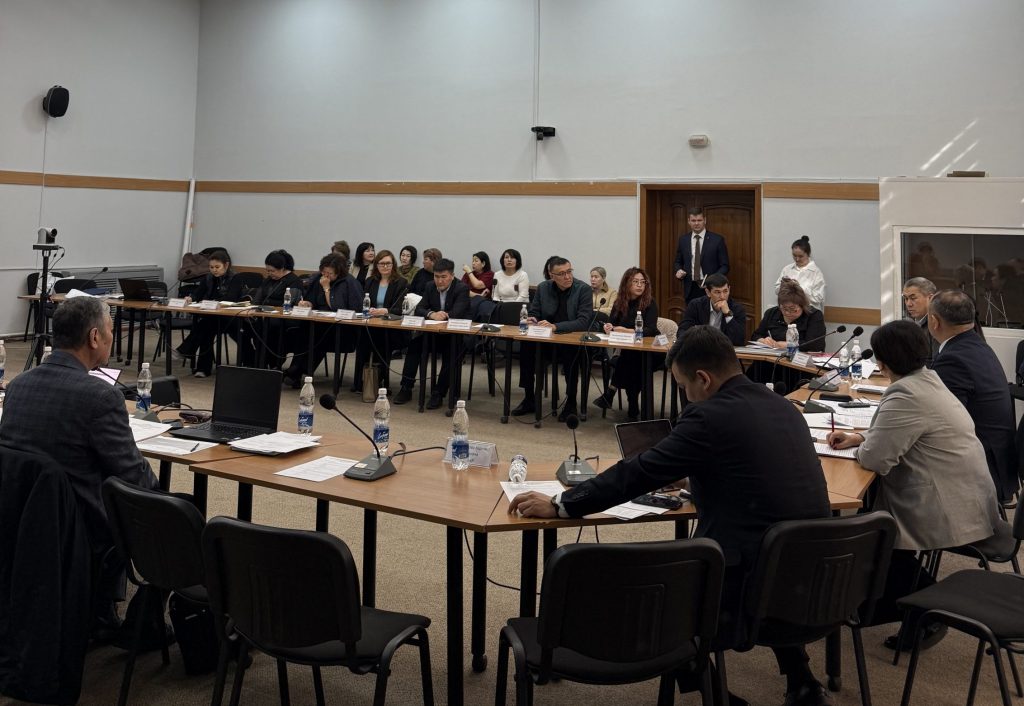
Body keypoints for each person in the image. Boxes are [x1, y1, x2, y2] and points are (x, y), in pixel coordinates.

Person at [511, 326, 833, 706]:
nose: (685, 396)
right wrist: (696, 472)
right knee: (770, 544)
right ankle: (803, 681)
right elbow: (757, 473)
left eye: (682, 386)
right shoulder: (783, 407)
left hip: (748, 585)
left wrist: (562, 503)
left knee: (667, 595)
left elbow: (637, 472)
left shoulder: (708, 416)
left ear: (703, 379)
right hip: (816, 581)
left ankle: (716, 695)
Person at [827, 320, 1000, 648]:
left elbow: (875, 460)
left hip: (946, 505)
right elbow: (905, 430)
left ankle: (924, 611)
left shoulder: (905, 393)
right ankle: (910, 608)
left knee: (871, 534)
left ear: (882, 363)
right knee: (873, 523)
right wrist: (860, 437)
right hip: (965, 492)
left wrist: (864, 447)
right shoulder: (926, 379)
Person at [0, 297, 159, 633]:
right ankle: (133, 623)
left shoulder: (18, 386)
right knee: (169, 512)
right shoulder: (100, 396)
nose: (112, 337)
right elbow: (133, 475)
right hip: (78, 524)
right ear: (94, 337)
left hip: (21, 516)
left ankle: (98, 606)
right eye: (111, 330)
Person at [928, 290, 1019, 502]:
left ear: (934, 321)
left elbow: (943, 423)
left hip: (982, 468)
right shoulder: (977, 346)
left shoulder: (953, 359)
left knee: (895, 468)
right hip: (1000, 460)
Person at [511, 257, 593, 422]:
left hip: (571, 340)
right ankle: (529, 398)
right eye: (561, 274)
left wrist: (555, 326)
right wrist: (531, 319)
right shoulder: (543, 288)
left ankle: (571, 402)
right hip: (547, 341)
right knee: (526, 346)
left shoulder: (583, 289)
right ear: (551, 275)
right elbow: (535, 312)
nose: (567, 277)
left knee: (571, 352)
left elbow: (584, 321)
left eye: (569, 271)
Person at [393, 259, 470, 409]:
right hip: (432, 334)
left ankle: (438, 393)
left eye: (443, 277)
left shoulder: (462, 288)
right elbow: (420, 308)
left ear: (452, 276)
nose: (439, 281)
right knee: (414, 346)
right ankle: (406, 387)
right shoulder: (429, 286)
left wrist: (443, 315)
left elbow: (458, 312)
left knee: (452, 353)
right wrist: (431, 314)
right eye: (436, 276)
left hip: (454, 335)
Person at [281, 253, 363, 388]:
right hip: (319, 323)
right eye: (324, 272)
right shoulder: (318, 279)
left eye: (329, 273)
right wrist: (306, 304)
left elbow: (338, 308)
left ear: (339, 272)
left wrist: (326, 288)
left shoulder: (350, 283)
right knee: (304, 329)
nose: (325, 276)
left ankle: (296, 372)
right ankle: (296, 372)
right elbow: (312, 300)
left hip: (343, 330)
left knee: (318, 334)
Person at [593, 267, 659, 421]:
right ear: (627, 283)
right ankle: (632, 407)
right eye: (635, 282)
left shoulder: (650, 303)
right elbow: (611, 324)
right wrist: (608, 327)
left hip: (652, 352)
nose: (640, 285)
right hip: (631, 351)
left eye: (643, 282)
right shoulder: (620, 302)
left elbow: (651, 329)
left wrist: (628, 331)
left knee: (630, 358)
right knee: (632, 360)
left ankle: (612, 392)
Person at [172, 248, 246, 377]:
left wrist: (213, 303)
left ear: (226, 265)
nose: (214, 270)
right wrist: (191, 298)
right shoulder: (208, 277)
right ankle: (201, 367)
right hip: (212, 316)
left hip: (230, 318)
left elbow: (231, 298)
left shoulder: (235, 278)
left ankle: (193, 357)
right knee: (206, 329)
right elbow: (198, 293)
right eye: (211, 267)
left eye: (217, 267)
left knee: (204, 326)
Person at [353, 250, 409, 393]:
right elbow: (364, 303)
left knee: (381, 341)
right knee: (362, 340)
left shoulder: (401, 282)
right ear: (376, 265)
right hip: (371, 322)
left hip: (389, 326)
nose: (385, 266)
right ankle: (359, 382)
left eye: (388, 263)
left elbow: (400, 308)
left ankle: (380, 382)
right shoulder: (370, 281)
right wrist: (370, 310)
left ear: (393, 265)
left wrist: (385, 310)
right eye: (382, 263)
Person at [239, 249, 304, 368]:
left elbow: (289, 304)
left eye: (272, 271)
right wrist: (253, 308)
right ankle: (255, 360)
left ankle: (270, 363)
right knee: (241, 325)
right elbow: (257, 299)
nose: (269, 273)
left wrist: (266, 305)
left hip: (284, 319)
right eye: (267, 270)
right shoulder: (268, 280)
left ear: (282, 268)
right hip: (264, 316)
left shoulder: (294, 281)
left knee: (270, 328)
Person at [673, 206, 729, 302]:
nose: (696, 223)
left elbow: (725, 266)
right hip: (690, 287)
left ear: (705, 220)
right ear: (689, 221)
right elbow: (678, 262)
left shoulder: (717, 240)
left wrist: (712, 280)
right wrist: (678, 270)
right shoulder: (683, 240)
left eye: (699, 220)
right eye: (693, 220)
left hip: (711, 288)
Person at [752, 281, 826, 352]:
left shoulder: (814, 315)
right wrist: (763, 341)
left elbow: (815, 345)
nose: (787, 313)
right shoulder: (771, 313)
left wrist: (788, 345)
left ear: (802, 305)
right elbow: (755, 335)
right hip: (773, 357)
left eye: (792, 309)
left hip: (802, 358)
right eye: (784, 308)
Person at [680, 273, 747, 346]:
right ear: (708, 292)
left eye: (725, 291)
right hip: (700, 348)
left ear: (729, 289)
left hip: (725, 350)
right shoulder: (696, 305)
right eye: (717, 292)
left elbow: (739, 340)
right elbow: (682, 331)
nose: (722, 296)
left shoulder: (737, 309)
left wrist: (728, 314)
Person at [774, 236, 825, 313]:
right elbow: (777, 290)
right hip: (787, 312)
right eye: (794, 255)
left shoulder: (816, 273)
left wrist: (798, 289)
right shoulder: (787, 269)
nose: (797, 259)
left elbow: (818, 298)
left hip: (808, 313)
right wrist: (784, 286)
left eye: (800, 256)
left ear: (808, 254)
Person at [902, 277, 939, 365]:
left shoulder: (937, 325)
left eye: (913, 298)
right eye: (906, 299)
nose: (908, 304)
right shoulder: (907, 323)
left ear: (930, 298)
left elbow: (935, 363)